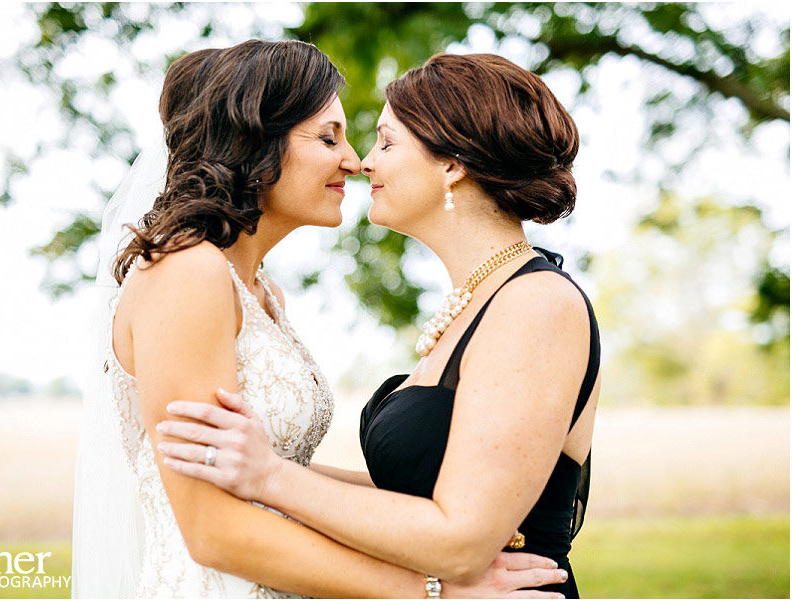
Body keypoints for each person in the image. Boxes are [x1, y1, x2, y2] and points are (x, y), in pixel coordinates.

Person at [71, 41, 568, 598]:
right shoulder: (188, 274)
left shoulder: (264, 294)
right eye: (329, 137)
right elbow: (211, 528)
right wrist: (433, 590)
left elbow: (269, 473)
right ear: (254, 144)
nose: (355, 161)